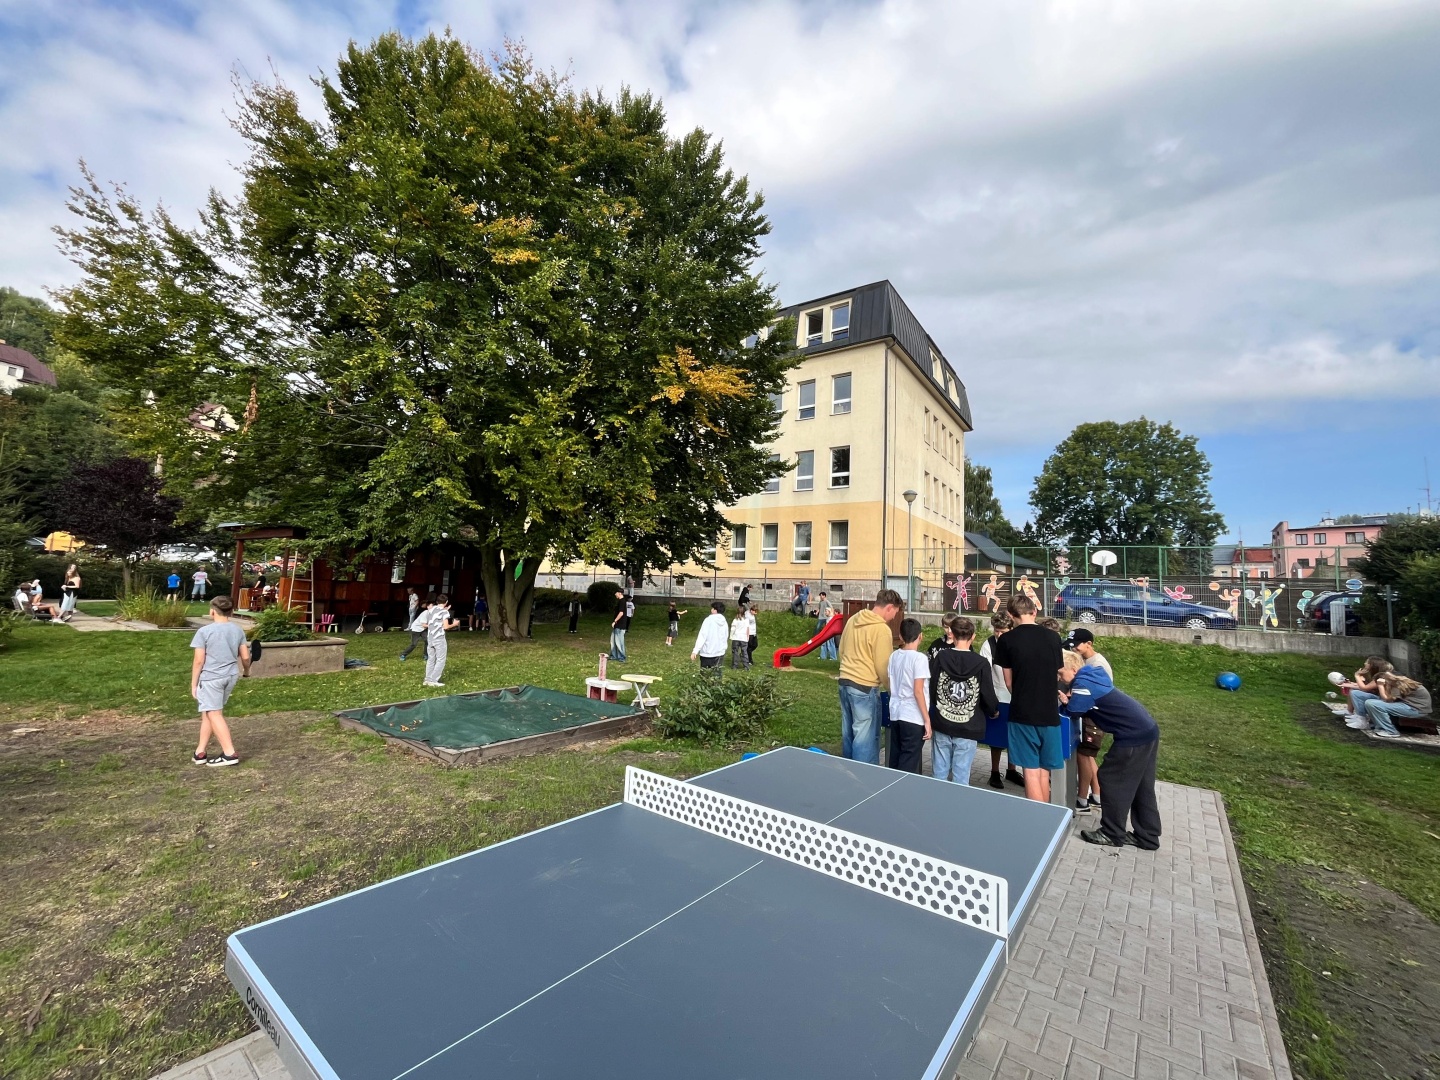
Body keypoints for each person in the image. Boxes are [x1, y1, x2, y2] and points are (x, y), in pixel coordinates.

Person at [1060, 651, 1161, 849]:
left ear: (1073, 670)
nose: (1059, 678)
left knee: (1111, 779)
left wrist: (1065, 703)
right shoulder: (1093, 676)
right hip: (1147, 730)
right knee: (1142, 785)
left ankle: (1112, 833)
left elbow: (1073, 711)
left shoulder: (1082, 684)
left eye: (1060, 674)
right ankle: (1147, 836)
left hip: (1132, 736)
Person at [991, 595, 1065, 802]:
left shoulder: (1006, 640)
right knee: (1044, 770)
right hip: (1049, 712)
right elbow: (1057, 672)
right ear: (1035, 611)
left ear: (1010, 615)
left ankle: (1036, 816)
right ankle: (1048, 815)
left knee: (1030, 771)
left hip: (1022, 712)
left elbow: (1008, 682)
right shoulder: (1053, 638)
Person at [928, 616, 999, 785]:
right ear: (973, 636)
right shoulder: (981, 663)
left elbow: (933, 686)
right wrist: (993, 710)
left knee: (939, 774)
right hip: (968, 726)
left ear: (952, 634)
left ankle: (936, 801)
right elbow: (987, 693)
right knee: (961, 776)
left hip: (943, 722)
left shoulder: (941, 657)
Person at [837, 589, 903, 765]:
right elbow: (883, 666)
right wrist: (892, 689)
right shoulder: (881, 629)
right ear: (889, 607)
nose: (893, 617)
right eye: (895, 613)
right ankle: (864, 776)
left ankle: (848, 771)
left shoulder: (853, 620)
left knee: (848, 734)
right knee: (865, 739)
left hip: (844, 682)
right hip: (865, 687)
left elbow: (841, 651)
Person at [189, 595, 251, 767]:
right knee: (209, 711)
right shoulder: (237, 630)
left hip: (211, 678)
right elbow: (246, 657)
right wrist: (246, 671)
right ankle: (200, 752)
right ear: (231, 611)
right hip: (230, 677)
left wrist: (194, 684)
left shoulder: (204, 632)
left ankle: (229, 754)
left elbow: (199, 661)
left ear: (212, 611)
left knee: (214, 713)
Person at [1065, 628, 1112, 811]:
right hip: (1087, 714)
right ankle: (1097, 794)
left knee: (1085, 756)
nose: (1074, 649)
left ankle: (1082, 799)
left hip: (1093, 717)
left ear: (1089, 644)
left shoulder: (1098, 664)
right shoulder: (1083, 660)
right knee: (1087, 756)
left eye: (1077, 645)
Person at [979, 611, 1022, 790]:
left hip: (1017, 697)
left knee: (1014, 736)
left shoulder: (1018, 643)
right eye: (996, 630)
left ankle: (1012, 769)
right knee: (996, 738)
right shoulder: (988, 645)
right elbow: (985, 674)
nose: (998, 634)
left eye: (1002, 631)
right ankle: (995, 772)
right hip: (998, 695)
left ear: (1011, 629)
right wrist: (990, 700)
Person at [885, 618, 932, 773]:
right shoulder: (920, 659)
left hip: (896, 713)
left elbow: (891, 684)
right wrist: (927, 720)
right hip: (913, 716)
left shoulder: (894, 656)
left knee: (895, 757)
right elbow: (918, 691)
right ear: (920, 636)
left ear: (900, 636)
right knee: (909, 761)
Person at [1362, 673, 1432, 738]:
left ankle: (1390, 731)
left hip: (1415, 709)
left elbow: (1387, 699)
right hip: (1415, 707)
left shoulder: (1397, 685)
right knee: (1373, 703)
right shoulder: (1398, 682)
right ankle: (1378, 726)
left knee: (1372, 704)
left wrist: (1380, 686)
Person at [1340, 657, 1392, 727]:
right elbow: (1365, 686)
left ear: (1373, 666)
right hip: (1380, 697)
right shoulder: (1375, 675)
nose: (1365, 663)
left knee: (1355, 693)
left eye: (1367, 662)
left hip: (1384, 700)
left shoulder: (1381, 677)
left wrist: (1357, 675)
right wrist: (1349, 684)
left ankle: (1362, 719)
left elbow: (1364, 688)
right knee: (1353, 690)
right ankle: (1352, 713)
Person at [423, 594, 459, 687]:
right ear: (446, 602)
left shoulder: (431, 609)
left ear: (437, 601)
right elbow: (446, 627)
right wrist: (455, 624)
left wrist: (445, 609)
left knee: (431, 659)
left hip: (430, 638)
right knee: (441, 660)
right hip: (439, 638)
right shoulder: (445, 612)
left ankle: (427, 679)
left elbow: (437, 614)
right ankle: (434, 680)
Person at [691, 601, 729, 669]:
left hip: (707, 653)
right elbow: (726, 635)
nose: (711, 609)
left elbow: (702, 635)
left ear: (715, 610)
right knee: (717, 673)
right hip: (719, 653)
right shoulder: (724, 621)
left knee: (706, 673)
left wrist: (695, 651)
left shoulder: (708, 620)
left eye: (712, 608)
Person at [399, 595, 434, 662]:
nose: (433, 607)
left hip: (423, 629)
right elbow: (424, 625)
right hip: (416, 629)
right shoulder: (425, 613)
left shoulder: (432, 614)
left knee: (428, 641)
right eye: (432, 606)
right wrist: (433, 626)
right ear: (428, 607)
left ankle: (426, 655)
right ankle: (403, 655)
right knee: (414, 644)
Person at [815, 591, 838, 660]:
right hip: (826, 631)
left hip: (829, 633)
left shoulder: (830, 618)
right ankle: (823, 656)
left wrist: (833, 614)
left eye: (826, 611)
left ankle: (833, 657)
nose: (825, 612)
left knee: (830, 643)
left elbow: (831, 608)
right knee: (824, 643)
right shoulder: (827, 618)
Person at [609, 590, 631, 662]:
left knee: (619, 641)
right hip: (617, 625)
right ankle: (613, 656)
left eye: (616, 593)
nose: (615, 594)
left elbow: (621, 613)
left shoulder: (622, 601)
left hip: (620, 625)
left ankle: (622, 657)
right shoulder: (620, 601)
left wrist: (615, 621)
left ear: (619, 593)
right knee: (613, 641)